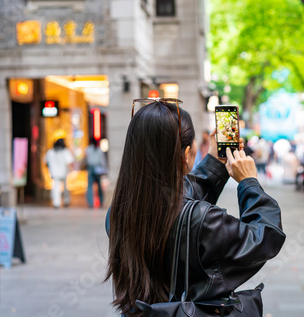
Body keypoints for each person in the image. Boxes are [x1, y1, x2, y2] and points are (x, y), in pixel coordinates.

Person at [105, 99, 285, 317]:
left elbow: (176, 201)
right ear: (187, 153)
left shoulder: (119, 211)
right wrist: (249, 183)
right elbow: (265, 238)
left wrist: (213, 161)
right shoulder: (204, 220)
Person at [45, 131, 74, 208]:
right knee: (65, 188)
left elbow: (46, 162)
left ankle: (56, 203)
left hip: (54, 173)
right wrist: (71, 170)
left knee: (55, 188)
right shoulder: (65, 151)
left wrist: (49, 169)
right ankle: (66, 201)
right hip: (64, 172)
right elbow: (69, 162)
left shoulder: (50, 152)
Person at [84, 138, 107, 208]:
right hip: (98, 168)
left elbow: (86, 159)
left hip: (91, 168)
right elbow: (102, 161)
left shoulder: (88, 149)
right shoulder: (99, 150)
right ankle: (101, 201)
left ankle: (90, 203)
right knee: (99, 186)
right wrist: (104, 169)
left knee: (90, 186)